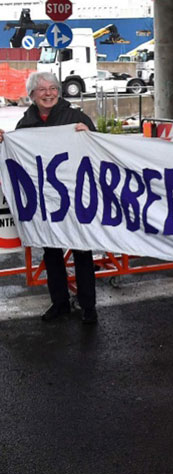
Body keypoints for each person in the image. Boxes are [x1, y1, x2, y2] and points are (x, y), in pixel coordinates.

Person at [0, 71, 98, 324]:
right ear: (32, 95)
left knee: (82, 251)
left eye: (53, 88)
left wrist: (90, 133)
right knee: (51, 252)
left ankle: (89, 306)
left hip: (75, 199)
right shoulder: (26, 123)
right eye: (42, 89)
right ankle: (60, 303)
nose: (49, 93)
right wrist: (4, 141)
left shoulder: (75, 116)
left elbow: (98, 146)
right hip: (46, 202)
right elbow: (18, 157)